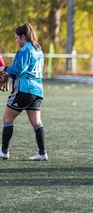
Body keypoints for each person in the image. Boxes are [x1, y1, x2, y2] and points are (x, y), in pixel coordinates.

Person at [0, 22, 48, 161]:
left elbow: (19, 69)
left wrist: (4, 70)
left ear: (23, 37)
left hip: (24, 89)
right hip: (37, 90)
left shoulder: (24, 50)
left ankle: (4, 151)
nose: (16, 40)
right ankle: (42, 153)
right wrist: (10, 75)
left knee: (7, 118)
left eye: (17, 38)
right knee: (37, 122)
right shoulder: (37, 49)